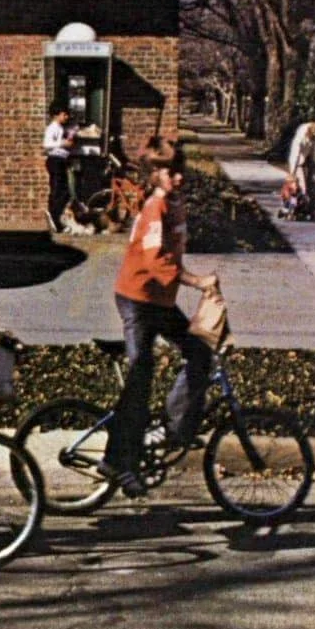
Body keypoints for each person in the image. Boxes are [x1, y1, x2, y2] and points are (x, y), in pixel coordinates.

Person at [100, 137, 219, 498]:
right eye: (170, 172)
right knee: (141, 378)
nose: (178, 177)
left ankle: (173, 429)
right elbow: (154, 262)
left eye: (180, 170)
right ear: (155, 175)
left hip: (160, 302)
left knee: (199, 352)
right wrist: (198, 282)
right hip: (137, 300)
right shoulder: (155, 207)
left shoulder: (173, 203)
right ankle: (117, 460)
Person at [42, 106, 71, 232]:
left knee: (63, 191)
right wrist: (62, 143)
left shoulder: (60, 128)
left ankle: (57, 217)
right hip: (55, 160)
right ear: (56, 115)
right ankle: (53, 216)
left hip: (61, 160)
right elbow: (46, 144)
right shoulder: (52, 128)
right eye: (64, 114)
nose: (66, 117)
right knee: (58, 189)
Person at [287, 120, 315, 220]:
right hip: (300, 160)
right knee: (301, 186)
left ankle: (313, 210)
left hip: (313, 159)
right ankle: (294, 209)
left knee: (314, 185)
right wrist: (292, 173)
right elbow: (295, 154)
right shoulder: (301, 134)